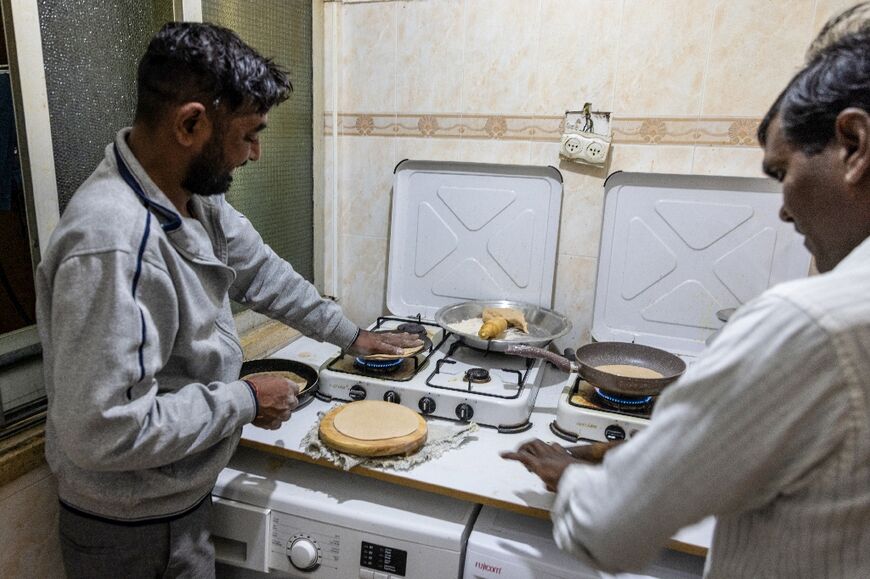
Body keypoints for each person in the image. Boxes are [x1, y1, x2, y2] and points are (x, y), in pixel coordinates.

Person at [35, 22, 420, 578]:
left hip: (177, 500)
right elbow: (103, 431)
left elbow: (262, 273)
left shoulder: (190, 198)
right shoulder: (110, 244)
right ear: (191, 123)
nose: (256, 153)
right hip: (128, 529)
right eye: (248, 134)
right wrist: (242, 401)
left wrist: (351, 335)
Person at [502, 26, 870, 579]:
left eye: (781, 172)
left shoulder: (810, 323)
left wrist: (572, 476)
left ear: (855, 145)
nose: (783, 212)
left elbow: (609, 531)